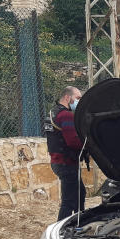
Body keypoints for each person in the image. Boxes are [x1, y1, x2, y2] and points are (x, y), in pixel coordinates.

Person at [48, 86, 85, 221]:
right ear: (67, 98)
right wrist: (89, 146)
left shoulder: (53, 112)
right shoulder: (66, 115)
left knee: (80, 194)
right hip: (67, 162)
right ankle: (63, 229)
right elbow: (73, 142)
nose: (79, 101)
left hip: (57, 161)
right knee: (70, 200)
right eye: (77, 98)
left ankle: (79, 223)